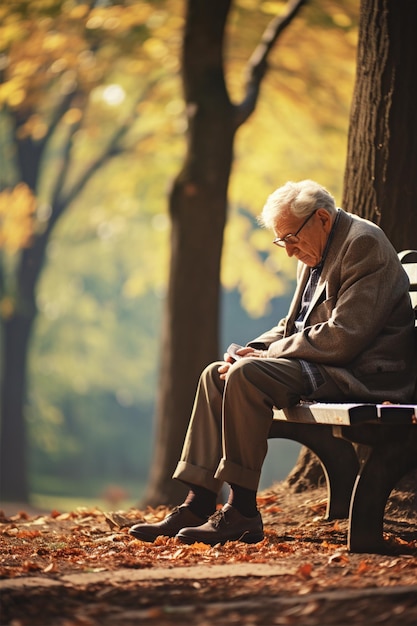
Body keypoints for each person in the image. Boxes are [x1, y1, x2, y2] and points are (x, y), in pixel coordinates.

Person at [130, 179, 416, 546]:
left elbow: (345, 335)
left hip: (361, 374)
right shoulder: (315, 249)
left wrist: (262, 359)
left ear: (322, 219)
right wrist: (251, 349)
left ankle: (242, 512)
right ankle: (197, 503)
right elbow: (293, 325)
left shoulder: (362, 243)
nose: (288, 251)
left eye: (291, 239)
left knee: (247, 376)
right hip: (329, 365)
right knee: (216, 376)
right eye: (282, 241)